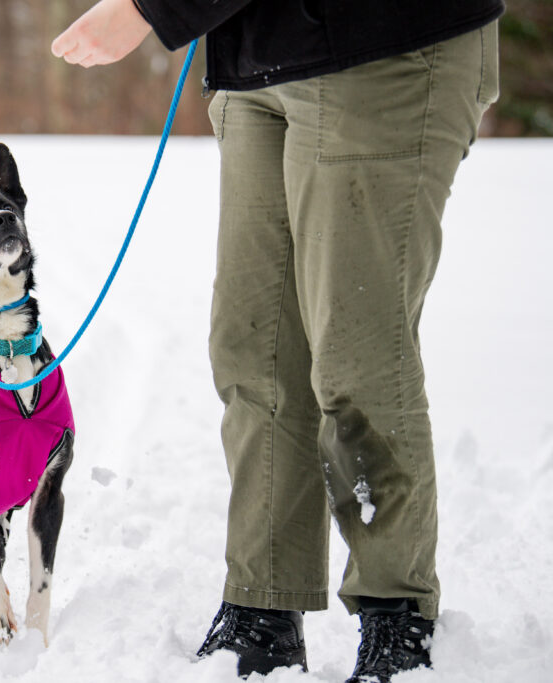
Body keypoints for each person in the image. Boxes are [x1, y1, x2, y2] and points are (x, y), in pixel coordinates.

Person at [52, 0, 503, 680]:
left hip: (381, 49)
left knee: (358, 351)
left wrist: (149, 8)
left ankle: (396, 612)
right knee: (255, 349)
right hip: (255, 56)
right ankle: (262, 603)